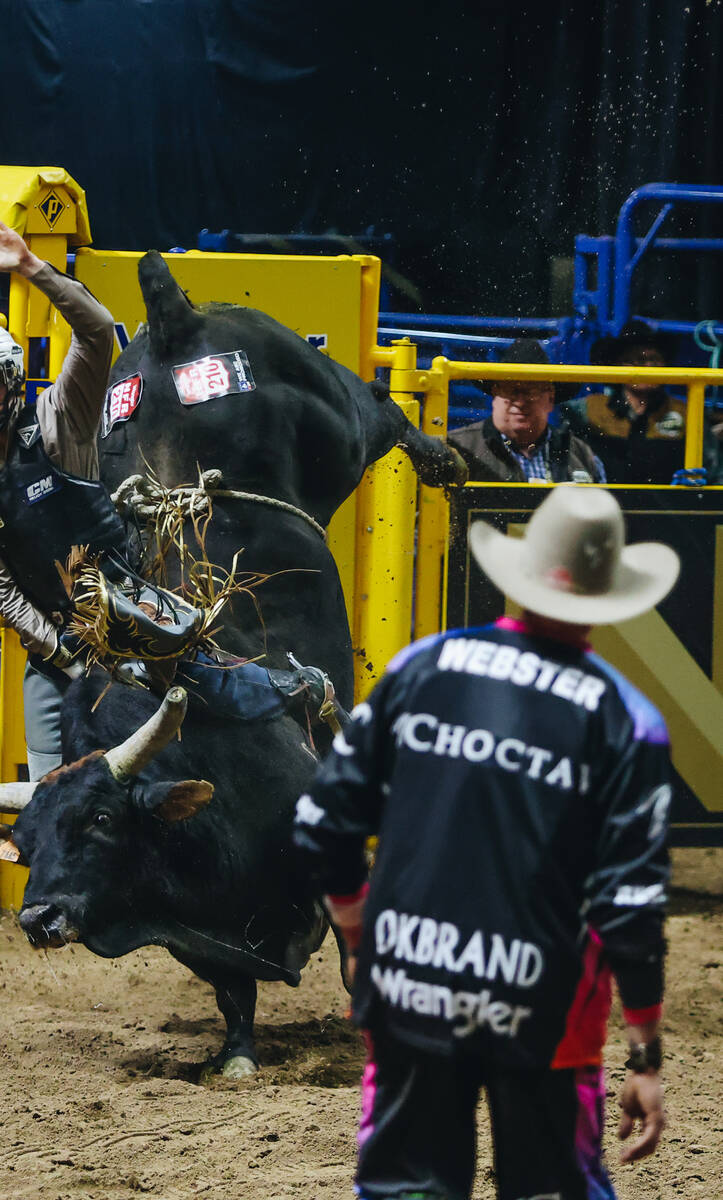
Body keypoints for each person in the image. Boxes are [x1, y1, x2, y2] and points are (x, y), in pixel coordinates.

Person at [294, 484, 679, 1200]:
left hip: (409, 976)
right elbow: (630, 904)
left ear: (520, 578)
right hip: (545, 1006)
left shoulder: (422, 666)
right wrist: (644, 1054)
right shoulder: (624, 719)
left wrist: (356, 936)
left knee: (404, 1188)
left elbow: (323, 818)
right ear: (605, 598)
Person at [0, 214, 334, 779]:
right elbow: (1, 589)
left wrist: (30, 267)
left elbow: (97, 330)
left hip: (135, 607)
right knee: (52, 784)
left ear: (11, 382)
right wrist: (61, 653)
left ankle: (298, 690)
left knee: (216, 691)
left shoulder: (58, 422)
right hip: (56, 646)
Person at [563, 319, 723, 485]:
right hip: (603, 506)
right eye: (636, 360)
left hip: (668, 507)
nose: (646, 368)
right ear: (618, 365)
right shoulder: (587, 410)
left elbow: (714, 473)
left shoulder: (687, 413)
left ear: (664, 364)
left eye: (653, 360)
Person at [448, 338, 606, 484]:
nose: (520, 401)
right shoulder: (457, 449)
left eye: (532, 391)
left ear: (550, 398)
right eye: (510, 390)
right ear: (495, 395)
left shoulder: (582, 455)